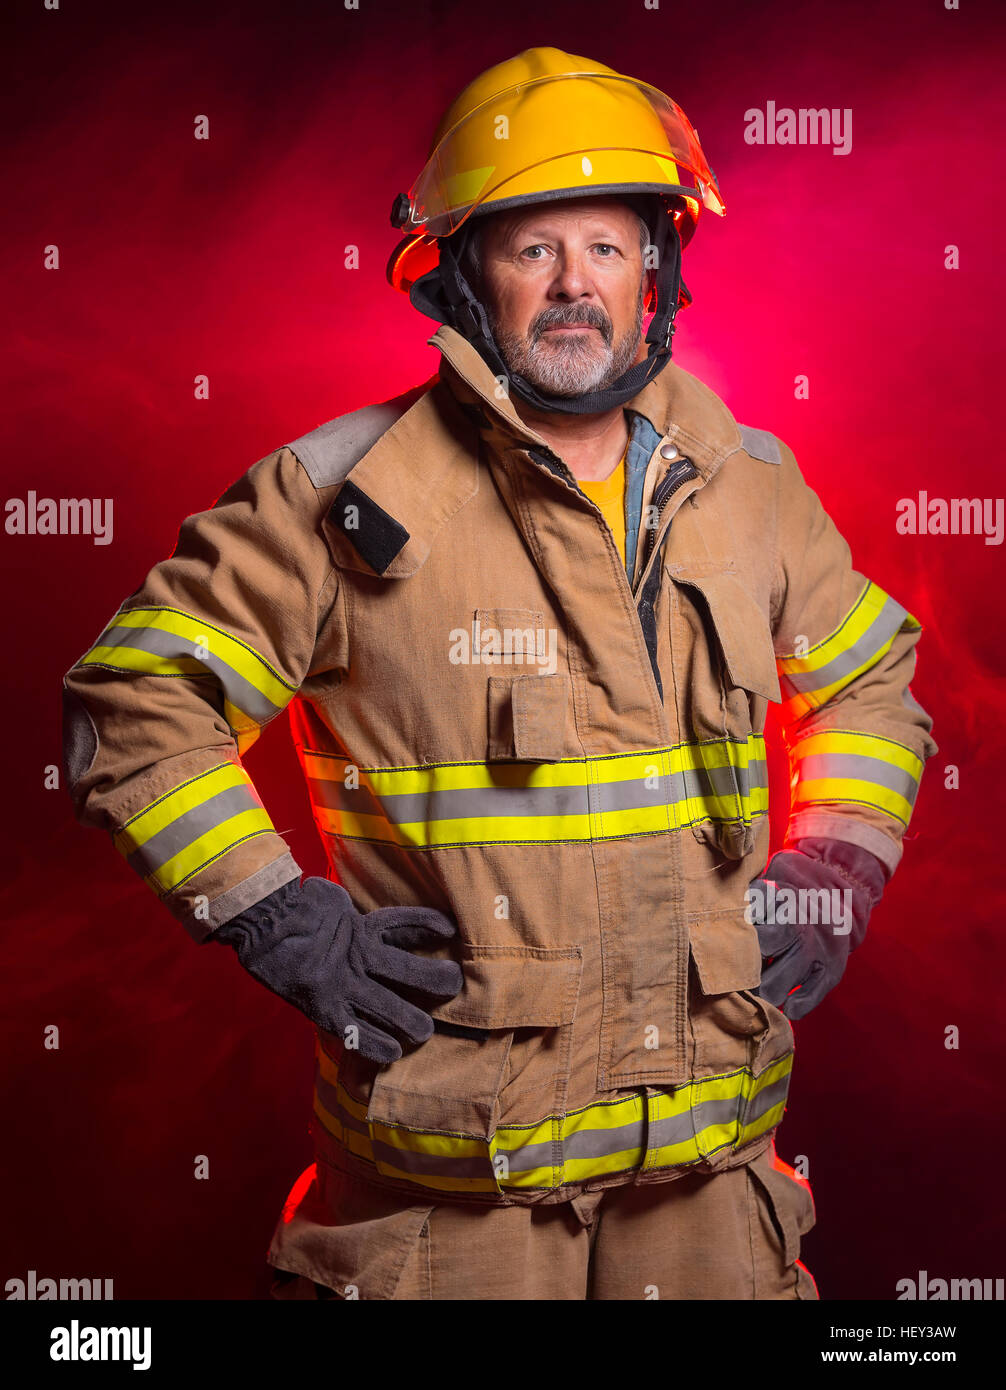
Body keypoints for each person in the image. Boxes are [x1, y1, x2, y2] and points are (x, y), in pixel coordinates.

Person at [61, 46, 937, 1300]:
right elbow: (135, 702)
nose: (574, 284)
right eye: (533, 247)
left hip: (711, 1204)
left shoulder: (750, 488)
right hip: (447, 1218)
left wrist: (840, 857)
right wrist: (273, 913)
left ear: (657, 272)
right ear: (466, 274)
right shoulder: (346, 497)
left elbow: (868, 678)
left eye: (608, 244)